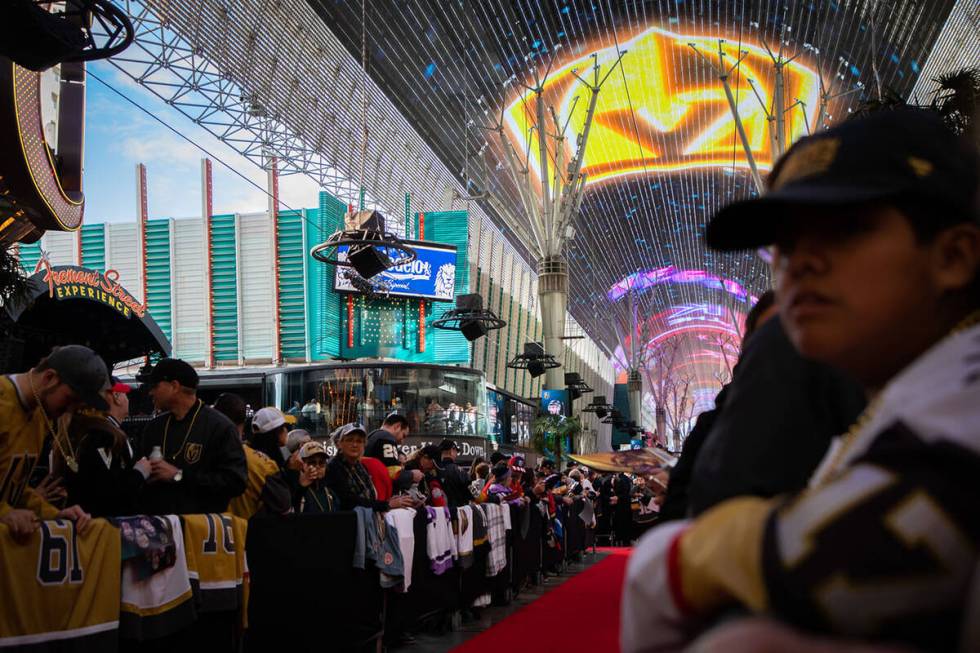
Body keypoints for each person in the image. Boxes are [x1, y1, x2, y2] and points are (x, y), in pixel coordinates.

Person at [621, 109, 980, 652]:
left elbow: (835, 569)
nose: (801, 263)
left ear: (954, 255)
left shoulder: (964, 402)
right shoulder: (900, 403)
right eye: (785, 245)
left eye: (846, 229)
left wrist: (686, 555)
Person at [0, 345, 109, 541]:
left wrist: (54, 514)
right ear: (49, 377)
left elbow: (12, 488)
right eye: (71, 399)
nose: (71, 409)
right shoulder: (3, 400)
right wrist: (4, 513)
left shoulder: (40, 417)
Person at [135, 358, 246, 515]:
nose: (150, 392)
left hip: (199, 531)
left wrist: (178, 475)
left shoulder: (219, 427)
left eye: (155, 386)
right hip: (160, 530)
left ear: (174, 386)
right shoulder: (154, 428)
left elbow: (235, 482)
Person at [60, 377, 150, 517]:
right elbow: (108, 491)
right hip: (104, 524)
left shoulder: (79, 429)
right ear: (116, 396)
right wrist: (140, 472)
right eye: (125, 394)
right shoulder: (105, 436)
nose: (127, 399)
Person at [218, 395, 291, 519]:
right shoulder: (263, 465)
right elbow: (284, 506)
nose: (286, 431)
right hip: (246, 534)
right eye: (284, 427)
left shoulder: (199, 455)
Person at [324, 423, 414, 512]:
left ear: (364, 445)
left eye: (359, 441)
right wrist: (386, 505)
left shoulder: (360, 466)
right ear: (339, 444)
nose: (354, 445)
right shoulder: (333, 467)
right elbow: (348, 501)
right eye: (349, 440)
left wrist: (389, 501)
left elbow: (369, 497)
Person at [365, 413, 421, 492]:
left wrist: (398, 453)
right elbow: (393, 474)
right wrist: (412, 475)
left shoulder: (373, 436)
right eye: (403, 435)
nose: (402, 441)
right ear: (397, 426)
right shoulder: (386, 438)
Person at [294, 441, 338, 513]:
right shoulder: (295, 490)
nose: (317, 466)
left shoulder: (331, 493)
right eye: (312, 462)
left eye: (321, 463)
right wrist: (301, 488)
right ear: (302, 465)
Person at [436, 438, 471, 508]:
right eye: (456, 451)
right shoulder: (459, 471)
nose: (456, 454)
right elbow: (472, 493)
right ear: (452, 450)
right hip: (459, 512)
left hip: (439, 513)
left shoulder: (434, 469)